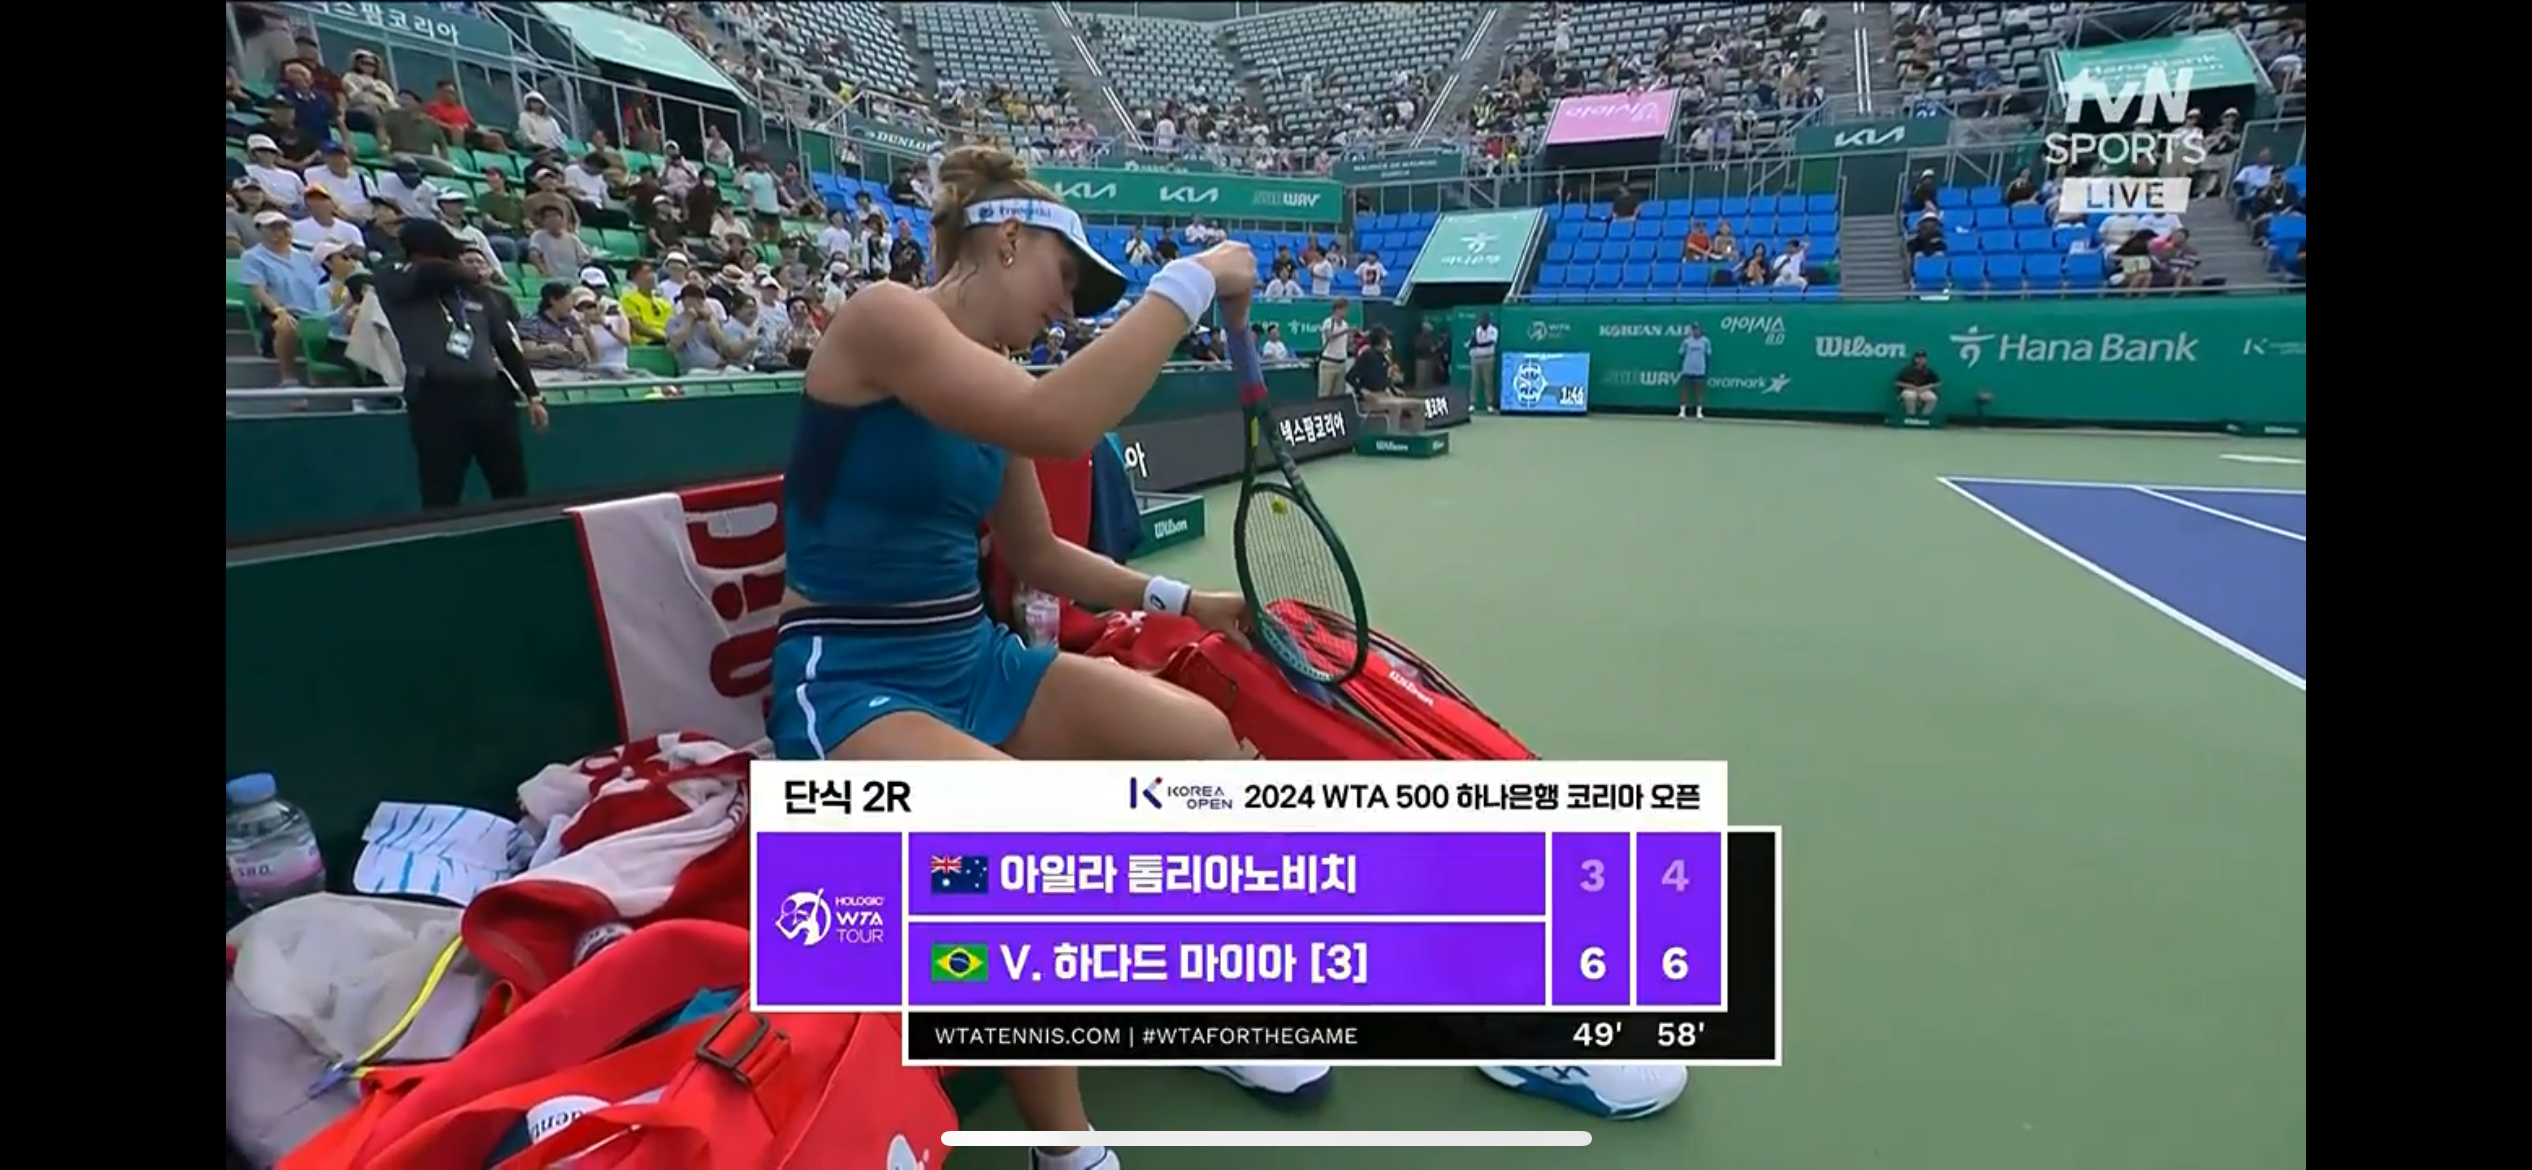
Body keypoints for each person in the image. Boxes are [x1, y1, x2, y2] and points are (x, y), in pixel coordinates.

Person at [772, 143, 1331, 1170]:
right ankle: (1063, 1151)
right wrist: (1194, 276)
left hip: (972, 661)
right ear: (1004, 240)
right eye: (1065, 278)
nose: (1067, 308)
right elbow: (1062, 422)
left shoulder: (1000, 384)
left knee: (1205, 744)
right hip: (850, 680)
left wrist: (1188, 600)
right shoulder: (884, 318)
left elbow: (1037, 555)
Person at [373, 220, 551, 508]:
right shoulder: (397, 280)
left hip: (489, 394)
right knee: (442, 488)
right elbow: (432, 271)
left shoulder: (476, 293)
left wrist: (532, 394)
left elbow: (505, 344)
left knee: (511, 484)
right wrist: (471, 272)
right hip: (437, 396)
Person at [1345, 326, 1425, 433]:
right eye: (1386, 338)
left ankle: (1417, 435)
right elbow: (1349, 377)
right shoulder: (1367, 355)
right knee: (1395, 406)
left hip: (1386, 395)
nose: (1388, 341)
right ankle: (1392, 438)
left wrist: (1393, 388)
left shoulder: (1384, 358)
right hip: (1371, 399)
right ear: (1380, 340)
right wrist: (1363, 391)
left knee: (1420, 405)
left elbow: (1383, 379)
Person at [1315, 297, 1354, 399]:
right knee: (1325, 394)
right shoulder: (1328, 322)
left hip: (1341, 364)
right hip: (1329, 363)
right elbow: (1329, 336)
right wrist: (1345, 331)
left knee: (1339, 395)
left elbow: (1346, 344)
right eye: (1344, 309)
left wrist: (1352, 338)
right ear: (1337, 309)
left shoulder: (1345, 324)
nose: (1346, 312)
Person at [1677, 322, 1711, 419]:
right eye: (1694, 329)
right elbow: (1681, 353)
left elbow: (1708, 354)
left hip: (1700, 371)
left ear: (1700, 330)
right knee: (1684, 391)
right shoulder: (1686, 341)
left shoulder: (1706, 341)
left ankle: (1699, 412)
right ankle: (1682, 412)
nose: (1696, 331)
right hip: (1687, 370)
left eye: (1697, 329)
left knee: (1699, 392)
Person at [1895, 349, 1942, 419]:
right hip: (1909, 390)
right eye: (1918, 358)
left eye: (1922, 358)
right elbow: (1897, 382)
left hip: (1923, 390)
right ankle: (1911, 416)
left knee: (1933, 398)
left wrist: (1928, 386)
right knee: (1910, 396)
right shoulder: (1907, 370)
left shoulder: (1928, 371)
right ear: (1915, 359)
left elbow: (1938, 383)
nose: (1920, 360)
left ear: (1925, 359)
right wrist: (1911, 386)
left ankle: (1925, 417)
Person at [1468, 311, 1499, 413]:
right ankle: (1472, 404)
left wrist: (1478, 344)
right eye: (1481, 320)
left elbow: (1491, 342)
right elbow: (1472, 343)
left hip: (1488, 358)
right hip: (1476, 358)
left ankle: (1489, 405)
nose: (1482, 322)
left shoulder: (1493, 330)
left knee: (1488, 382)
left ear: (1488, 321)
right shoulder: (1477, 330)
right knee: (1474, 382)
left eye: (1484, 320)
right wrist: (1474, 343)